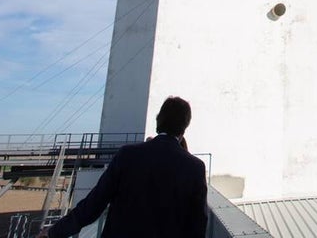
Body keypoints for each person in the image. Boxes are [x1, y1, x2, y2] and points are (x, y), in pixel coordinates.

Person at [38, 96, 208, 238]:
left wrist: (54, 232)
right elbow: (197, 226)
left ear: (159, 121)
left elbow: (93, 204)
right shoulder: (195, 168)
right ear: (184, 127)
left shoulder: (127, 155)